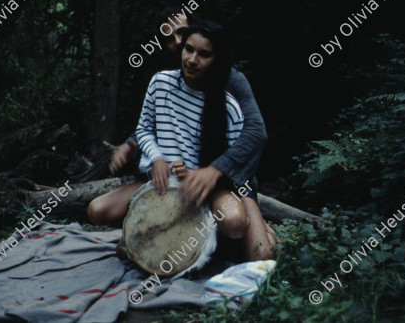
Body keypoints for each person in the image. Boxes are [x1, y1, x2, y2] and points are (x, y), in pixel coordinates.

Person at [88, 21, 279, 261]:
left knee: (240, 230)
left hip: (212, 187)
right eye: (188, 49)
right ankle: (183, 233)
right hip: (164, 185)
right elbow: (144, 129)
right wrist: (154, 157)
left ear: (217, 58)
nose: (191, 59)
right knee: (97, 210)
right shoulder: (161, 82)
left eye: (204, 54)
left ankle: (218, 235)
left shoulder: (229, 97)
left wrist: (202, 174)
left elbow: (253, 137)